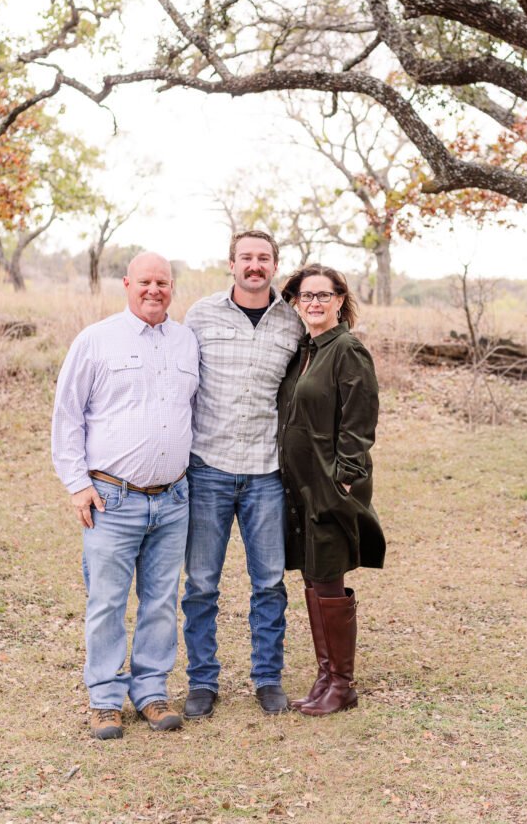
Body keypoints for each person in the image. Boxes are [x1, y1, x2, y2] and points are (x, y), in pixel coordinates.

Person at [51, 252, 199, 738]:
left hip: (173, 498)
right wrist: (77, 484)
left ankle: (152, 692)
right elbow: (67, 416)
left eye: (163, 282)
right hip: (112, 499)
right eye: (145, 282)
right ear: (126, 284)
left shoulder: (185, 342)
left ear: (172, 287)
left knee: (161, 601)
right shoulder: (96, 340)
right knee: (107, 601)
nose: (154, 290)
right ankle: (105, 698)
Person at [181, 230, 304, 719]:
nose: (255, 266)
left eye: (264, 258)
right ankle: (202, 682)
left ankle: (268, 677)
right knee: (202, 584)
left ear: (275, 265)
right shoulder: (200, 315)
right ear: (230, 263)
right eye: (246, 258)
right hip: (208, 466)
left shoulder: (293, 323)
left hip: (266, 472)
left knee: (269, 582)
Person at [278, 264, 385, 716]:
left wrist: (344, 475)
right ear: (297, 302)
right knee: (314, 573)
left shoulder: (346, 350)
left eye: (324, 295)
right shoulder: (305, 348)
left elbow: (360, 420)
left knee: (328, 574)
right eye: (307, 296)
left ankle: (342, 683)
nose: (315, 303)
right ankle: (326, 676)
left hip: (330, 482)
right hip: (299, 484)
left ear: (341, 300)